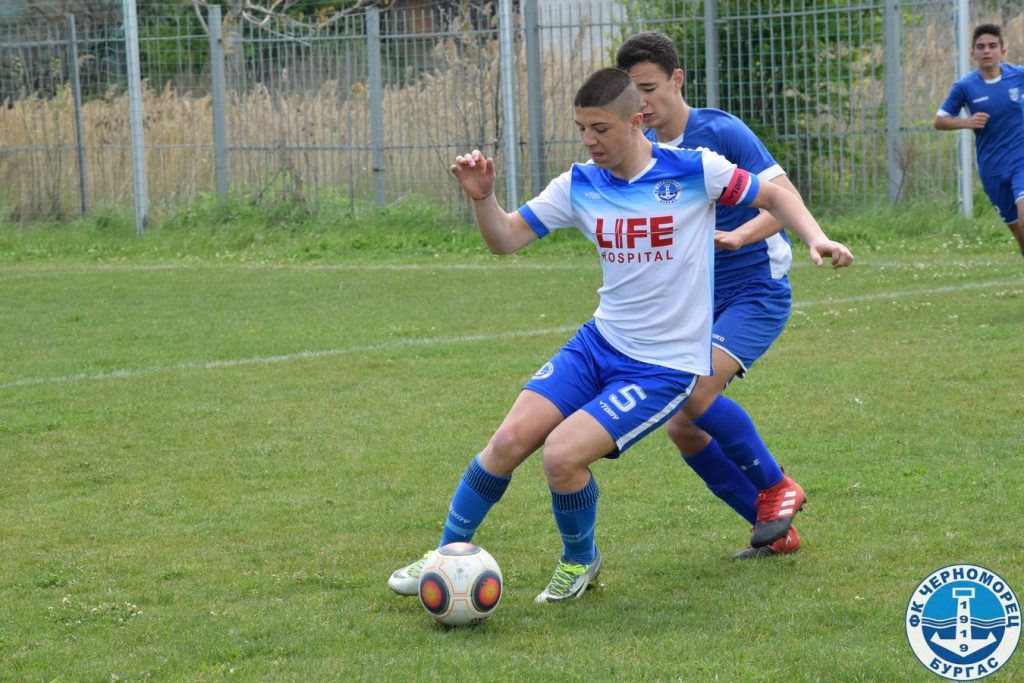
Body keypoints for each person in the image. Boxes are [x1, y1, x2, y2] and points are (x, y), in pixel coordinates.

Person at [389, 67, 850, 603]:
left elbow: (776, 195)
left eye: (601, 129)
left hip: (663, 366)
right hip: (598, 344)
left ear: (636, 122)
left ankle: (579, 561)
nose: (589, 140)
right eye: (582, 128)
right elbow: (506, 240)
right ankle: (446, 553)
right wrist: (482, 200)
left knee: (561, 456)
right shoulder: (580, 183)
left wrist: (815, 237)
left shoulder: (696, 169)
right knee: (508, 441)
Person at [615, 31, 854, 559]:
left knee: (697, 394)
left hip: (755, 290)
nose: (644, 103)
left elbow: (782, 199)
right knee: (683, 427)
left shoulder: (719, 131)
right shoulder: (639, 152)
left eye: (651, 88)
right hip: (695, 303)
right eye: (633, 94)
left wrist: (787, 238)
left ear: (677, 80)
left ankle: (776, 487)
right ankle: (774, 529)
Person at [935, 23, 1024, 257]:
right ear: (973, 53)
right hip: (992, 169)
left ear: (1002, 51)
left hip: (1021, 162)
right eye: (981, 47)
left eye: (993, 46)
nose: (987, 51)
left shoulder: (1019, 76)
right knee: (1019, 233)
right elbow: (940, 120)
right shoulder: (965, 86)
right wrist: (966, 122)